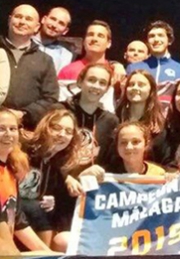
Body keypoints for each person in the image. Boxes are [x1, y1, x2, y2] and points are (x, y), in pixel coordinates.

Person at [19, 110, 81, 250]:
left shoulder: (58, 164)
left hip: (33, 219)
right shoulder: (24, 149)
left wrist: (52, 201)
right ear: (45, 127)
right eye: (56, 128)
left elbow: (47, 196)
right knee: (36, 209)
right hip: (10, 210)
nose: (62, 134)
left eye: (68, 131)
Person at [0, 108, 53, 254]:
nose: (8, 134)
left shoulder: (10, 171)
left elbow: (17, 220)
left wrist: (47, 253)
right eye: (1, 128)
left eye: (12, 129)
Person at [0, 5, 59, 129]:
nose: (22, 22)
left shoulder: (45, 60)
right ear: (9, 20)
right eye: (18, 17)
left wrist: (23, 114)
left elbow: (50, 98)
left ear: (37, 27)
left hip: (27, 130)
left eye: (28, 19)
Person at [59, 63, 119, 167]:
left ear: (107, 89)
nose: (96, 86)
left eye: (102, 83)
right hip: (58, 179)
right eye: (91, 80)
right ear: (80, 82)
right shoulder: (59, 110)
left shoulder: (111, 121)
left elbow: (109, 160)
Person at [57, 20, 123, 111]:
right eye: (90, 34)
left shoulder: (117, 72)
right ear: (84, 42)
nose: (94, 39)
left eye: (100, 36)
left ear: (109, 43)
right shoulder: (68, 70)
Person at [126, 21, 180, 106]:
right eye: (152, 36)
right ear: (147, 42)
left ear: (170, 41)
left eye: (160, 35)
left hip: (171, 118)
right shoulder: (133, 68)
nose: (156, 39)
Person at [79, 121, 167, 177]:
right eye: (123, 142)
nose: (129, 147)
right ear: (117, 146)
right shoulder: (105, 174)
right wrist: (84, 176)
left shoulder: (158, 174)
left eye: (135, 142)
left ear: (146, 144)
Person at [114, 70, 165, 140]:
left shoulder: (158, 125)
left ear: (151, 90)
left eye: (141, 85)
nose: (135, 88)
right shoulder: (116, 119)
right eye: (131, 84)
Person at [35, 7, 75, 74]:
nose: (54, 25)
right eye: (53, 19)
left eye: (61, 23)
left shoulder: (65, 55)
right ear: (43, 19)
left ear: (65, 31)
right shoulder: (25, 42)